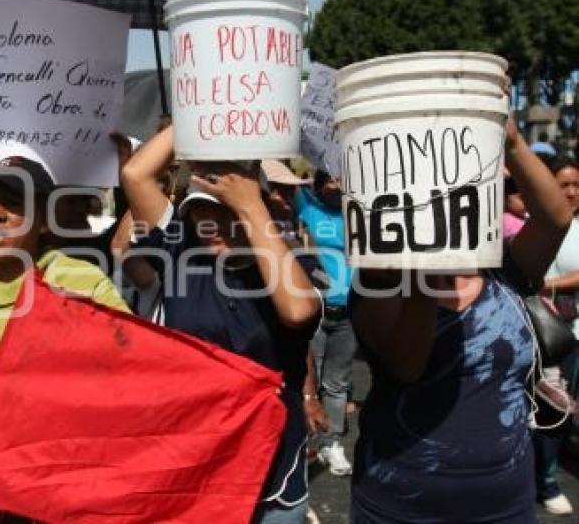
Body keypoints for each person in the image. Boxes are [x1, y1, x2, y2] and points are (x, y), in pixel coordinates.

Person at [349, 118, 573, 523]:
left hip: (505, 502)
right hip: (403, 503)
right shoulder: (379, 280)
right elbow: (407, 365)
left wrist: (513, 141)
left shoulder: (505, 266)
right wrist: (426, 267)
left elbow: (555, 219)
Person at [121, 126, 322, 523]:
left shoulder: (285, 259)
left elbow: (298, 312)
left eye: (226, 210)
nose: (213, 224)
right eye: (202, 212)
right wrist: (201, 109)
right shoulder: (181, 253)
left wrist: (250, 207)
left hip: (272, 470)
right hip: (198, 463)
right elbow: (135, 175)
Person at [0, 156, 129, 524]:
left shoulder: (82, 282)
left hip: (63, 477)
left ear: (44, 220)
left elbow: (138, 363)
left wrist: (92, 324)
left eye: (13, 204)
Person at [294, 169, 357, 477]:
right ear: (316, 186)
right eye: (330, 180)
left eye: (342, 180)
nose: (337, 185)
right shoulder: (306, 206)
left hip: (352, 309)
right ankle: (307, 443)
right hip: (317, 308)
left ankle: (331, 444)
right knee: (311, 379)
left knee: (337, 383)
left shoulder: (356, 210)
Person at [531, 156, 579, 516]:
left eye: (577, 185)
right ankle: (545, 482)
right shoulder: (538, 227)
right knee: (554, 412)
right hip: (550, 335)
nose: (572, 192)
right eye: (564, 185)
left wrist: (550, 282)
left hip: (574, 331)